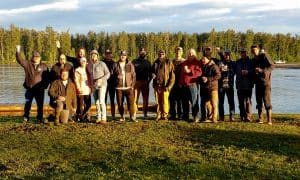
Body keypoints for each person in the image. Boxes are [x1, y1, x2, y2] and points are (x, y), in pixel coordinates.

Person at [16, 45, 49, 123]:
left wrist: (44, 86)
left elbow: (47, 78)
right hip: (29, 89)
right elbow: (19, 60)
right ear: (32, 57)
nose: (36, 57)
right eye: (35, 56)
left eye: (38, 56)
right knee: (27, 104)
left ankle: (39, 118)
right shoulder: (27, 64)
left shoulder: (44, 66)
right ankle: (26, 117)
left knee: (40, 105)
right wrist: (18, 51)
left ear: (40, 57)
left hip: (40, 90)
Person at [251, 45, 274, 125]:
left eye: (255, 50)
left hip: (265, 83)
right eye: (252, 50)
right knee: (259, 101)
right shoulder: (253, 60)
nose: (254, 51)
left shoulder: (265, 56)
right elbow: (252, 71)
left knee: (267, 101)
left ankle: (269, 120)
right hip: (257, 83)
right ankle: (260, 119)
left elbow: (272, 66)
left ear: (258, 50)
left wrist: (262, 71)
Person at [179, 48, 202, 122]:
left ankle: (196, 116)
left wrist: (190, 71)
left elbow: (199, 73)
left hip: (192, 85)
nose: (190, 54)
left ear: (195, 54)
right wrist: (180, 82)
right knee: (184, 102)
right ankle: (185, 116)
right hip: (184, 85)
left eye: (192, 53)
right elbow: (182, 74)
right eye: (189, 53)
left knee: (194, 101)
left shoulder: (197, 62)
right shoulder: (184, 62)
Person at [152, 50, 175, 121]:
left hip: (165, 86)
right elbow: (152, 71)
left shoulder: (168, 62)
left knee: (165, 101)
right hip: (157, 85)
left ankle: (165, 115)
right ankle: (158, 114)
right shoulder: (155, 62)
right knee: (158, 101)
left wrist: (169, 86)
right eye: (159, 53)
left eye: (162, 53)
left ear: (165, 54)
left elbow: (172, 76)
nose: (161, 55)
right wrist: (152, 74)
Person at [113, 50, 136, 122]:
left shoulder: (130, 64)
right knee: (120, 103)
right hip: (119, 87)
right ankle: (122, 116)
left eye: (124, 55)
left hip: (128, 87)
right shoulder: (115, 64)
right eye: (121, 55)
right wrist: (116, 79)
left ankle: (132, 117)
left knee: (131, 103)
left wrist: (132, 86)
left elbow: (134, 76)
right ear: (119, 56)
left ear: (126, 56)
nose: (123, 56)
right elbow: (111, 75)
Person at [88, 50, 110, 124]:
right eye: (92, 55)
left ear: (97, 56)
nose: (93, 56)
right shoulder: (89, 65)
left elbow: (108, 74)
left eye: (95, 55)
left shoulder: (102, 63)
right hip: (94, 86)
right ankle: (99, 117)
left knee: (101, 101)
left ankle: (104, 118)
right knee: (96, 102)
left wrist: (101, 79)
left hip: (102, 84)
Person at [199, 56, 221, 123]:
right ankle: (210, 117)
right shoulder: (203, 66)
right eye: (202, 59)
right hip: (205, 88)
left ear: (208, 59)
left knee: (214, 103)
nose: (203, 60)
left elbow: (218, 75)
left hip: (213, 88)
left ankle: (214, 118)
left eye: (204, 59)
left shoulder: (214, 66)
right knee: (207, 104)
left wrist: (208, 79)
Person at [235, 48, 254, 122]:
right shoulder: (237, 62)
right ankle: (242, 116)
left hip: (248, 84)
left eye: (244, 52)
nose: (243, 53)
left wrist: (248, 72)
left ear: (247, 53)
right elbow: (235, 71)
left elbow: (254, 71)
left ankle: (248, 116)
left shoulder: (251, 62)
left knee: (248, 101)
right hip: (239, 84)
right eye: (242, 52)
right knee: (241, 102)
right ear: (240, 53)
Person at [132, 48, 152, 119]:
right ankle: (134, 114)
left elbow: (151, 74)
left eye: (144, 52)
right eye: (141, 51)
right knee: (134, 99)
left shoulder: (148, 62)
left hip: (145, 82)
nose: (142, 53)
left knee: (145, 100)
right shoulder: (134, 61)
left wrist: (149, 81)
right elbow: (131, 73)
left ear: (146, 53)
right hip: (136, 83)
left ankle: (145, 114)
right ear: (139, 52)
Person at [217, 49, 236, 121]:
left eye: (228, 55)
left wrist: (227, 69)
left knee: (231, 101)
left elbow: (233, 73)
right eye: (225, 55)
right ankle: (221, 117)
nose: (227, 56)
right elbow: (217, 72)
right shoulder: (220, 62)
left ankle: (232, 116)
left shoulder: (233, 63)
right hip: (221, 85)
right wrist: (220, 70)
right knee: (221, 102)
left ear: (230, 55)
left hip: (229, 85)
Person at [74, 57, 93, 122]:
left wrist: (91, 88)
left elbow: (91, 79)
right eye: (82, 61)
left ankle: (82, 116)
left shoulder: (88, 70)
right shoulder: (77, 70)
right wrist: (78, 88)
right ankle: (80, 118)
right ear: (80, 62)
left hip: (87, 89)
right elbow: (76, 80)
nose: (83, 62)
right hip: (81, 90)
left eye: (84, 61)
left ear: (86, 62)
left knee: (88, 104)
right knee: (80, 106)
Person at [169, 47, 185, 120]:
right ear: (175, 52)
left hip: (181, 83)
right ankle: (172, 114)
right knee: (172, 99)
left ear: (182, 52)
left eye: (180, 51)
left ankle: (180, 115)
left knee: (180, 100)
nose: (178, 52)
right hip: (172, 83)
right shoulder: (172, 61)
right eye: (177, 51)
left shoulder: (184, 61)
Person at [103, 49, 116, 120]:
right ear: (105, 55)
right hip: (104, 84)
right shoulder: (102, 63)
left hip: (112, 84)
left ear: (111, 55)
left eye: (109, 54)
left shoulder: (114, 63)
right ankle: (103, 115)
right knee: (103, 100)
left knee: (112, 100)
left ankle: (113, 115)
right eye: (107, 54)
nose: (108, 55)